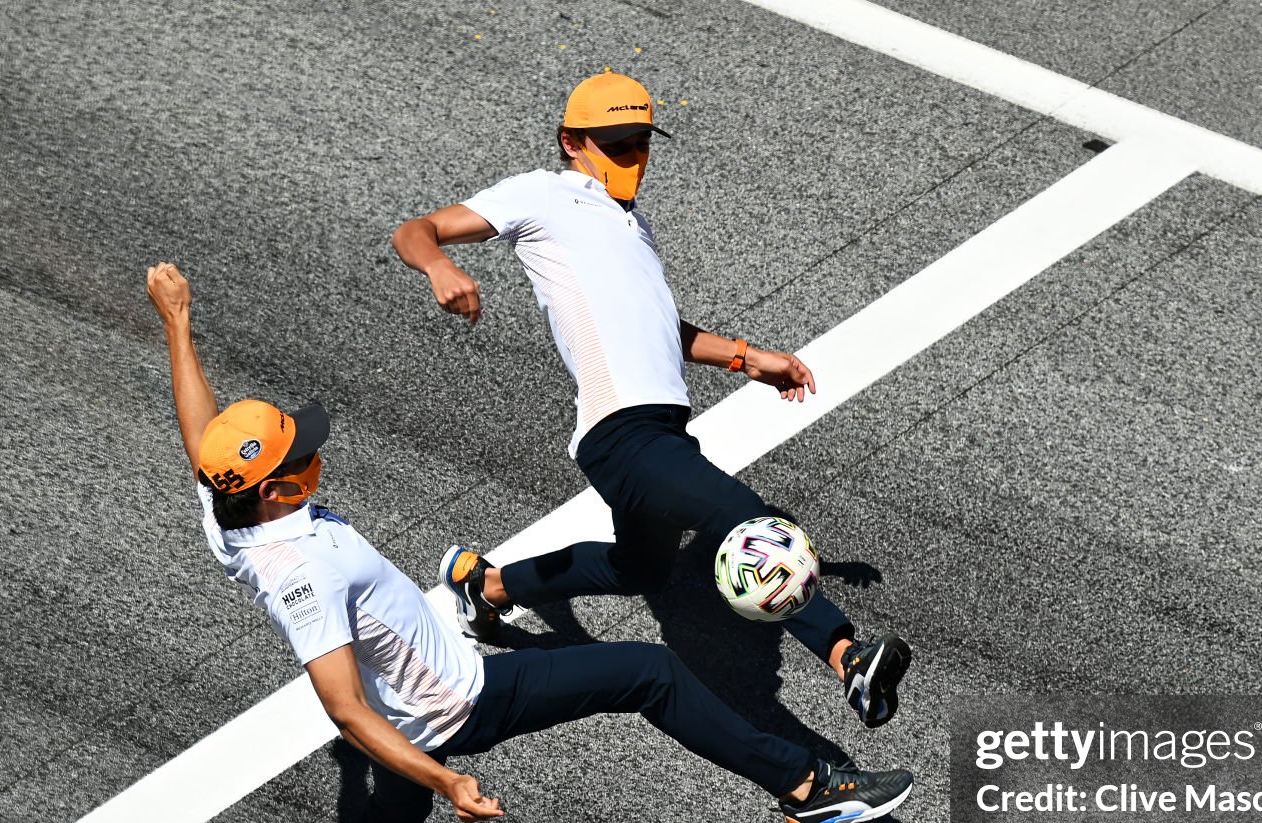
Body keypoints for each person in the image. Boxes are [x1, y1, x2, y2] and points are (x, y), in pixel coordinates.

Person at [145, 262, 914, 823]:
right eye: (299, 454)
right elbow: (342, 708)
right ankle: (807, 787)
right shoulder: (300, 570)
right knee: (649, 674)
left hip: (406, 716)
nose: (313, 453)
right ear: (275, 489)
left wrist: (177, 322)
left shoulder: (230, 506)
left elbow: (200, 437)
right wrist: (448, 778)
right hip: (459, 702)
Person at [390, 71, 912, 730]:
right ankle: (847, 656)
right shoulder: (542, 195)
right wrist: (439, 266)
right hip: (624, 436)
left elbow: (659, 328)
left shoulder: (635, 230)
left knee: (641, 567)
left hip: (659, 434)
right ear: (572, 142)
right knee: (745, 519)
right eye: (615, 143)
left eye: (639, 142)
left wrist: (749, 357)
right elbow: (416, 229)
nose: (631, 156)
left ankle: (487, 586)